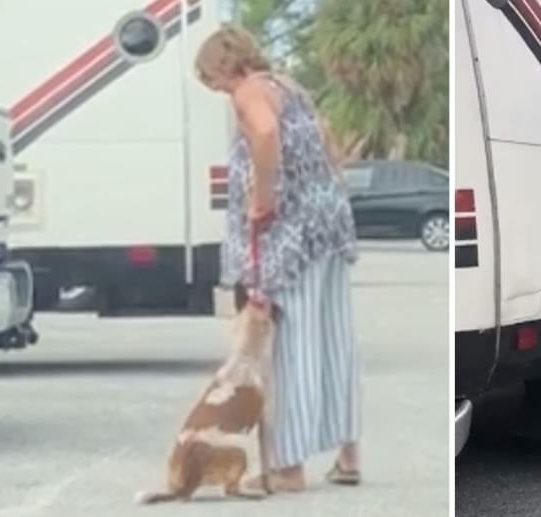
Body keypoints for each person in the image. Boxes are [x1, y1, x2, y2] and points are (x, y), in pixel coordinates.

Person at [194, 25, 362, 490]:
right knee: (333, 341)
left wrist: (262, 199)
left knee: (289, 350)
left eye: (213, 79)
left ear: (225, 66)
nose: (218, 89)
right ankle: (349, 456)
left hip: (290, 234)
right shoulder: (289, 85)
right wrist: (324, 184)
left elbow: (266, 134)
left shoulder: (249, 91)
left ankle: (287, 469)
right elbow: (326, 139)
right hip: (327, 223)